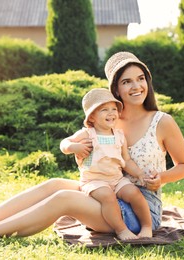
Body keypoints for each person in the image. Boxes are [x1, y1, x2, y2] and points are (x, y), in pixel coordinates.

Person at [0, 51, 184, 245]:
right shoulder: (106, 120)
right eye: (127, 81)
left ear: (148, 81)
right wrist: (80, 151)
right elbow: (86, 154)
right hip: (105, 190)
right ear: (116, 89)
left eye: (140, 79)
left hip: (138, 209)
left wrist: (162, 178)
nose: (136, 86)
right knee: (55, 184)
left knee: (63, 199)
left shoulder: (162, 121)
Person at [60, 88, 153, 240]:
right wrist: (73, 147)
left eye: (114, 109)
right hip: (94, 181)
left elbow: (126, 161)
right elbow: (64, 143)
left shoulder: (119, 135)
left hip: (116, 179)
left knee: (134, 193)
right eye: (104, 110)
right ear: (92, 117)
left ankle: (147, 226)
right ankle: (121, 230)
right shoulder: (88, 134)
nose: (111, 113)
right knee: (107, 196)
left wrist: (139, 174)